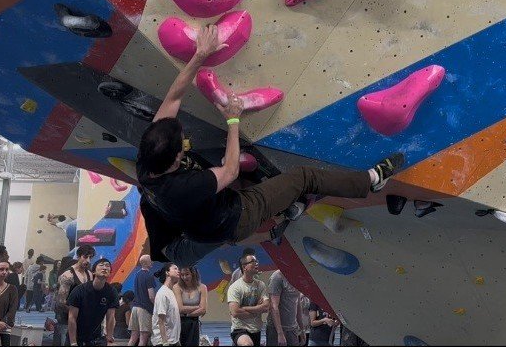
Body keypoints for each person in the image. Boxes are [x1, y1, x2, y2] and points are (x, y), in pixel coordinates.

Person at [137, 27, 405, 265]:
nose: (185, 142)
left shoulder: (150, 154)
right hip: (235, 217)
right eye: (182, 145)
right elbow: (229, 172)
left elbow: (174, 96)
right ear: (174, 162)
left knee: (252, 180)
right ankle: (370, 180)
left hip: (205, 220)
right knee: (303, 177)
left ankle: (285, 204)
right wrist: (233, 119)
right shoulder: (179, 190)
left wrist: (200, 55)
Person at [66, 258, 118, 346]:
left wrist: (109, 338)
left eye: (107, 266)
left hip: (95, 337)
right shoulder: (79, 290)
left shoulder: (111, 292)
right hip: (76, 335)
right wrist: (73, 342)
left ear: (110, 273)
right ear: (93, 272)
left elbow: (111, 317)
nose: (105, 268)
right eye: (101, 265)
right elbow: (72, 318)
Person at [56, 246, 96, 346]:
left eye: (90, 258)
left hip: (82, 317)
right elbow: (61, 302)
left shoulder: (89, 274)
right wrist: (77, 313)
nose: (88, 260)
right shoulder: (68, 275)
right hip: (66, 317)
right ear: (78, 257)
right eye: (85, 257)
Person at [227, 254, 269, 347]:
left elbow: (266, 307)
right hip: (240, 330)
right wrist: (257, 310)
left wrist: (245, 308)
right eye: (253, 262)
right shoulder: (235, 287)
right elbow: (235, 312)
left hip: (256, 330)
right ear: (244, 267)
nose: (256, 263)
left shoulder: (260, 285)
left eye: (256, 261)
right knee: (247, 344)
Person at [266, 271, 303, 346]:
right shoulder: (277, 277)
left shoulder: (296, 276)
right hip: (276, 330)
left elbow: (298, 304)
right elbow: (274, 306)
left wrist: (302, 330)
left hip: (292, 329)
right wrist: (280, 334)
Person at [176, 265, 207, 347]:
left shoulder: (202, 287)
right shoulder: (177, 287)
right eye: (182, 275)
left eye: (187, 274)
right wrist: (197, 307)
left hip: (194, 323)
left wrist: (187, 314)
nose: (184, 277)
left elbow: (203, 310)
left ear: (193, 274)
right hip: (180, 322)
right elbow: (180, 309)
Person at [129, 255, 156, 347]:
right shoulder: (149, 275)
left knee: (133, 337)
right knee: (143, 338)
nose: (152, 262)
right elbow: (151, 296)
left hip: (135, 309)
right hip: (144, 309)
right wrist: (157, 306)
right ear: (145, 263)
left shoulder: (137, 274)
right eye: (150, 260)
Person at [151, 264, 180, 347]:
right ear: (167, 272)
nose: (178, 271)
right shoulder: (162, 293)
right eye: (175, 268)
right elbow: (161, 320)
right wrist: (165, 342)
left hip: (173, 340)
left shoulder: (170, 292)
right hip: (164, 342)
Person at [0, 260, 21, 347]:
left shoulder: (12, 289)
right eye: (1, 269)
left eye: (7, 270)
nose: (4, 272)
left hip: (4, 329)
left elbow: (12, 309)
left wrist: (2, 323)